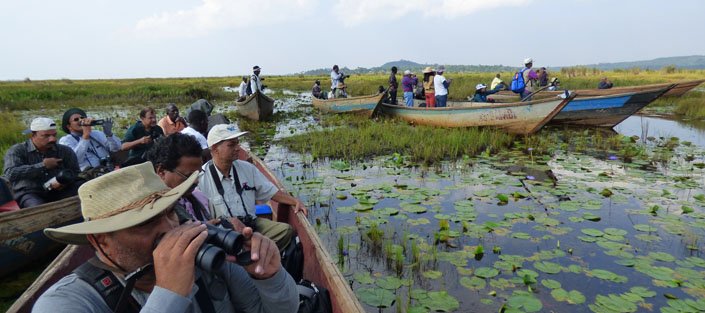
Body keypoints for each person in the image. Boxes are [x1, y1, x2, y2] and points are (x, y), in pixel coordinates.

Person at [34, 162, 299, 313]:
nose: (170, 228)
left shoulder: (213, 263)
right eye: (145, 223)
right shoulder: (65, 303)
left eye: (171, 212)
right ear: (101, 241)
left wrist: (272, 278)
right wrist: (170, 292)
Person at [198, 124, 308, 250]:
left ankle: (255, 253)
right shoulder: (201, 179)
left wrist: (295, 201)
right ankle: (256, 253)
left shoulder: (247, 168)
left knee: (286, 231)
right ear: (215, 149)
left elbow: (271, 192)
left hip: (252, 223)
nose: (237, 148)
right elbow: (203, 222)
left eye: (237, 143)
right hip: (224, 233)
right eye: (231, 145)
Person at [3, 117, 80, 208]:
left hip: (60, 190)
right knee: (38, 207)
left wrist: (64, 182)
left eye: (54, 135)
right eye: (46, 136)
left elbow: (76, 172)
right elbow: (10, 173)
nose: (52, 139)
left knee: (83, 190)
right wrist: (43, 166)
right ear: (33, 135)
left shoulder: (64, 151)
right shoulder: (17, 150)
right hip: (30, 193)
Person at [146, 133, 211, 222]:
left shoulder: (199, 196)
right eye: (189, 176)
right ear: (161, 172)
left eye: (198, 174)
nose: (196, 181)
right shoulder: (151, 212)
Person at [59, 108, 121, 172]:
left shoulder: (96, 133)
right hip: (87, 176)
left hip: (108, 170)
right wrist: (85, 136)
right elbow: (76, 159)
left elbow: (116, 149)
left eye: (82, 117)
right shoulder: (65, 140)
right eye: (76, 119)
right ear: (69, 126)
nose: (81, 120)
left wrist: (109, 134)